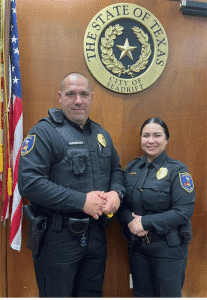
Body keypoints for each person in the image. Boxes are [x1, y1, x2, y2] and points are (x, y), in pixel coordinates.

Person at [18, 72, 125, 297]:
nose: (78, 100)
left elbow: (116, 169)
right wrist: (82, 201)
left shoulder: (101, 134)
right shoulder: (44, 132)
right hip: (58, 238)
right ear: (60, 97)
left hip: (96, 235)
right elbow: (29, 184)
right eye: (71, 94)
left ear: (92, 97)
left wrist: (117, 192)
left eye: (84, 94)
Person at [118, 117, 195, 297]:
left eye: (157, 135)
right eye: (146, 135)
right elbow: (122, 204)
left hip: (168, 249)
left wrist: (145, 223)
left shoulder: (178, 170)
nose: (150, 140)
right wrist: (131, 222)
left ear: (166, 140)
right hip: (138, 248)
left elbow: (183, 212)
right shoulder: (132, 167)